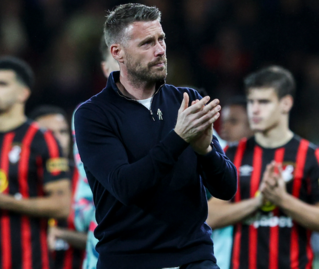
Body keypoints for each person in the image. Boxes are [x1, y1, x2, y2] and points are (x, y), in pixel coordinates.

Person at [74, 3, 237, 269]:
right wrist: (179, 137)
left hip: (194, 258)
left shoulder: (187, 100)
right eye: (147, 43)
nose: (160, 50)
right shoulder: (93, 115)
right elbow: (125, 186)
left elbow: (227, 188)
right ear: (118, 52)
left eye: (161, 39)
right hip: (128, 261)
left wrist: (205, 152)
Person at [0, 57, 71, 269]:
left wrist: (2, 201)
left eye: (1, 84)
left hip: (30, 262)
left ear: (23, 93)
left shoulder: (41, 139)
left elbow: (61, 206)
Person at [209, 66, 319, 268]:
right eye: (251, 102)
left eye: (264, 102)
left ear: (286, 103)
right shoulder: (232, 155)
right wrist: (258, 202)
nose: (255, 110)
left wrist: (282, 200)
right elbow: (209, 216)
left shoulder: (312, 156)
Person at [71, 36, 119, 269]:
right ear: (105, 68)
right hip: (105, 241)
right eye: (117, 58)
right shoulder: (87, 115)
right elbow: (83, 195)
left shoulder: (170, 107)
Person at [29, 105, 85, 269]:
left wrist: (62, 235)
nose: (58, 139)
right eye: (48, 133)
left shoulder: (88, 181)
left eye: (63, 132)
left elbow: (107, 239)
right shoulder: (18, 181)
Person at [207, 95, 253, 269]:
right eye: (223, 121)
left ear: (253, 125)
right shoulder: (216, 160)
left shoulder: (271, 163)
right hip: (221, 258)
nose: (224, 127)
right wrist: (259, 202)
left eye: (233, 121)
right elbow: (211, 217)